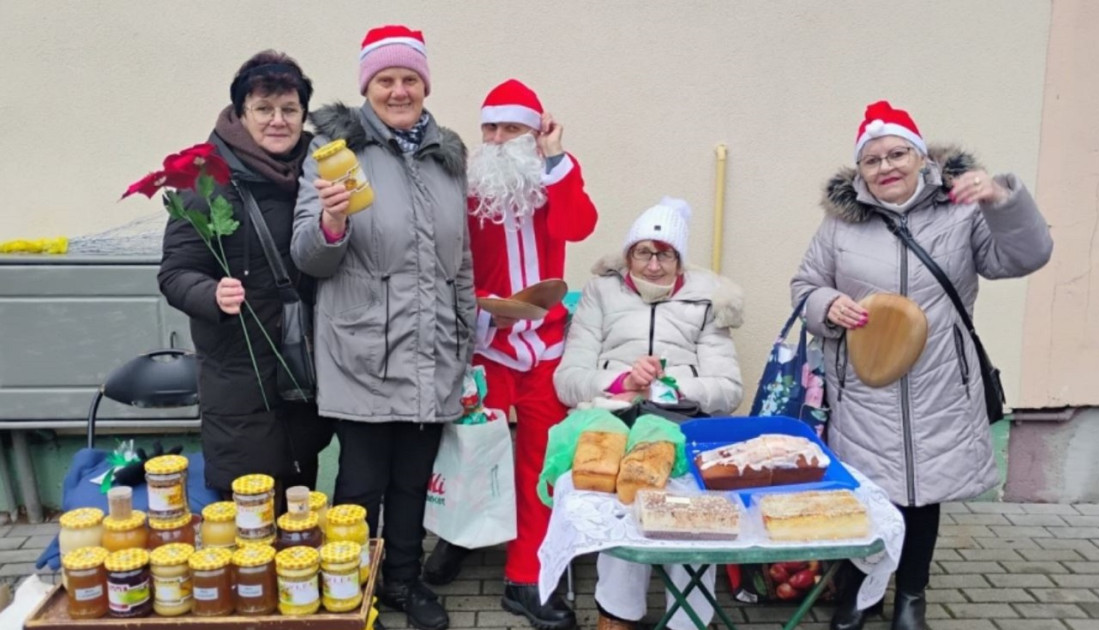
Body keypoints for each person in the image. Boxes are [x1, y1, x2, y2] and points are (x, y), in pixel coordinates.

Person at [791, 100, 1053, 630]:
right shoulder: (841, 225)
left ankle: (911, 597)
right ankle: (860, 596)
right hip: (865, 382)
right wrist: (826, 306)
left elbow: (1026, 257)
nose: (886, 167)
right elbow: (804, 286)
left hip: (938, 383)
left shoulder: (961, 213)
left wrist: (1002, 199)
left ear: (919, 157)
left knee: (920, 496)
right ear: (860, 170)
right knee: (865, 493)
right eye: (872, 160)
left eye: (897, 154)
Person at [290, 25, 473, 630]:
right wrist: (333, 225)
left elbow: (460, 260)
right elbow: (308, 256)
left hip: (431, 350)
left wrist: (465, 337)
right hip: (364, 348)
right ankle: (350, 585)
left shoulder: (447, 157)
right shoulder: (335, 152)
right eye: (386, 80)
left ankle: (402, 582)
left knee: (413, 482)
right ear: (367, 86)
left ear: (425, 86)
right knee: (362, 481)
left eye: (410, 79)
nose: (399, 91)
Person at [422, 79, 597, 630]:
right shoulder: (467, 186)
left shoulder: (555, 179)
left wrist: (557, 159)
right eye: (490, 128)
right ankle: (458, 538)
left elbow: (579, 226)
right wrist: (478, 311)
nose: (497, 140)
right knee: (469, 452)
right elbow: (446, 261)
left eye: (512, 128)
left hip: (546, 347)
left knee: (541, 461)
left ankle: (526, 576)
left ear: (534, 133)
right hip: (487, 344)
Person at [554, 197, 744, 630]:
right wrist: (622, 383)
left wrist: (668, 386)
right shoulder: (601, 294)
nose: (654, 265)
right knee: (622, 503)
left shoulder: (707, 300)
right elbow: (567, 379)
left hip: (685, 423)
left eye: (665, 254)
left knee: (694, 512)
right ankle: (617, 616)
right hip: (615, 422)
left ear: (679, 259)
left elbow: (729, 389)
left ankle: (691, 619)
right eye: (644, 252)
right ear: (628, 255)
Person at [158, 50, 334, 506]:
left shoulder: (315, 174)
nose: (278, 121)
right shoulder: (205, 180)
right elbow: (175, 272)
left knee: (298, 503)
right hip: (239, 382)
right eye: (263, 109)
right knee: (249, 517)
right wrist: (211, 293)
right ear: (240, 113)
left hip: (301, 376)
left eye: (289, 109)